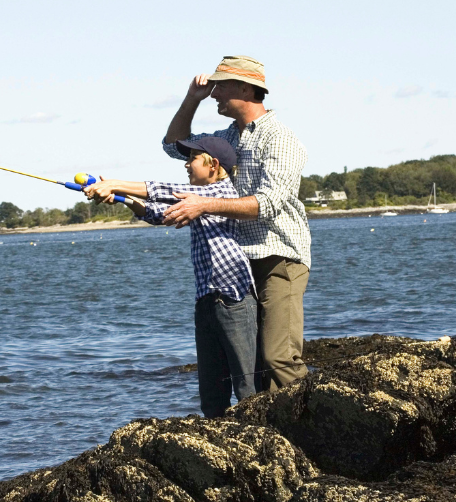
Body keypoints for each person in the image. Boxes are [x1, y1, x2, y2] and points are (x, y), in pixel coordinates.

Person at [160, 55, 311, 392]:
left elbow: (268, 204)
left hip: (279, 258)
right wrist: (191, 100)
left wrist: (204, 205)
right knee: (255, 364)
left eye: (220, 86)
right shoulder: (227, 137)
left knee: (279, 358)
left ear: (246, 88)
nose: (213, 93)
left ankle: (321, 422)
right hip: (240, 262)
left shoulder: (280, 138)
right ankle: (274, 432)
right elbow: (172, 146)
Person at [84, 137, 256, 418]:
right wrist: (124, 199)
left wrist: (114, 183)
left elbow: (163, 190)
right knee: (212, 396)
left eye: (193, 158)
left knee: (247, 387)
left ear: (213, 165)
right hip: (206, 303)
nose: (186, 164)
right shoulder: (194, 201)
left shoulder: (223, 194)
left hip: (234, 300)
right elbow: (157, 213)